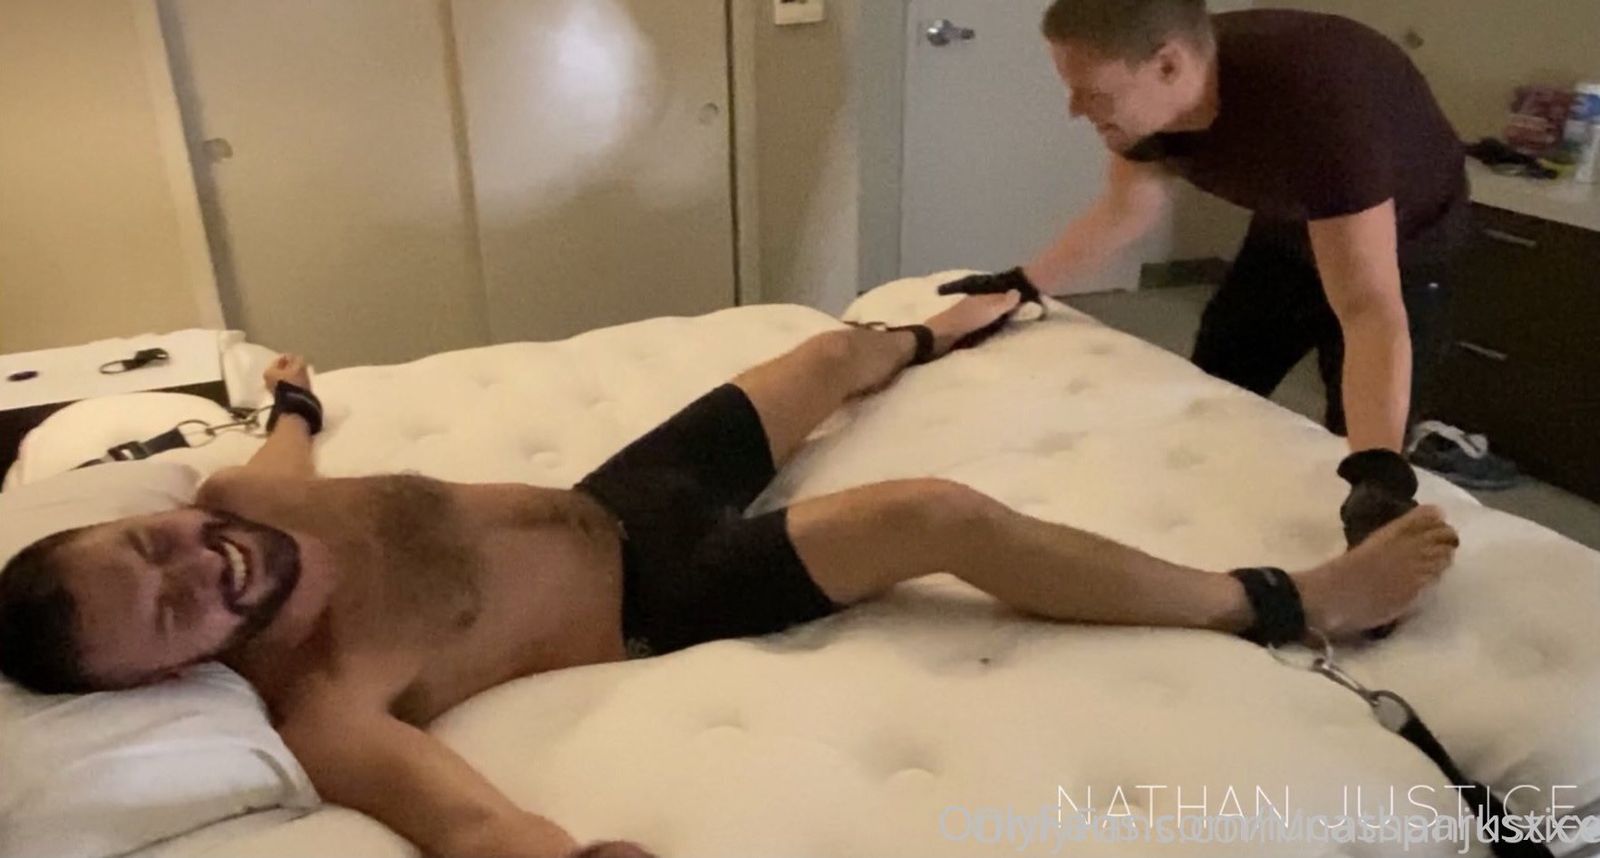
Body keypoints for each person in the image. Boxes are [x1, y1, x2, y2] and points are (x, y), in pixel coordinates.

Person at [0, 293, 1458, 858]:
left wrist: (297, 395)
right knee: (932, 509)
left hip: (610, 499)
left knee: (830, 353)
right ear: (178, 672)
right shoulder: (324, 698)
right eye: (175, 609)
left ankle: (938, 327)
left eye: (147, 543)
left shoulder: (238, 501)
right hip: (664, 589)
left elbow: (285, 448)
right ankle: (1284, 599)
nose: (197, 562)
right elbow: (471, 823)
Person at [942, 0, 1516, 510]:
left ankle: (1395, 476)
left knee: (1360, 436)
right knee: (1218, 378)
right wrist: (1021, 283)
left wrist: (1379, 475)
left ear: (1168, 66)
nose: (1073, 109)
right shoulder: (1153, 104)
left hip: (1406, 246)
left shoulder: (1316, 100)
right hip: (1288, 226)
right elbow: (1126, 211)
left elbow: (1368, 308)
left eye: (1092, 93)